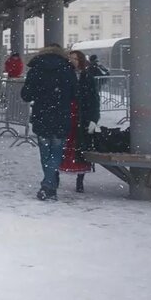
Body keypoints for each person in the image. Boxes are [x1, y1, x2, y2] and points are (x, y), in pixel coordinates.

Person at [20, 44, 77, 201]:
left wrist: (40, 94)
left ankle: (48, 185)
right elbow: (74, 94)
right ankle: (49, 185)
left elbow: (26, 94)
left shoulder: (36, 69)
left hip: (42, 115)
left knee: (45, 153)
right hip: (61, 115)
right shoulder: (67, 69)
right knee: (57, 151)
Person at [59, 50, 100, 193]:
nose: (72, 61)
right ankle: (56, 175)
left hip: (81, 116)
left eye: (75, 59)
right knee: (63, 146)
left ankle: (80, 179)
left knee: (81, 148)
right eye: (70, 58)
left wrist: (94, 119)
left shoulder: (87, 77)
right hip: (67, 115)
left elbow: (94, 99)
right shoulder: (64, 75)